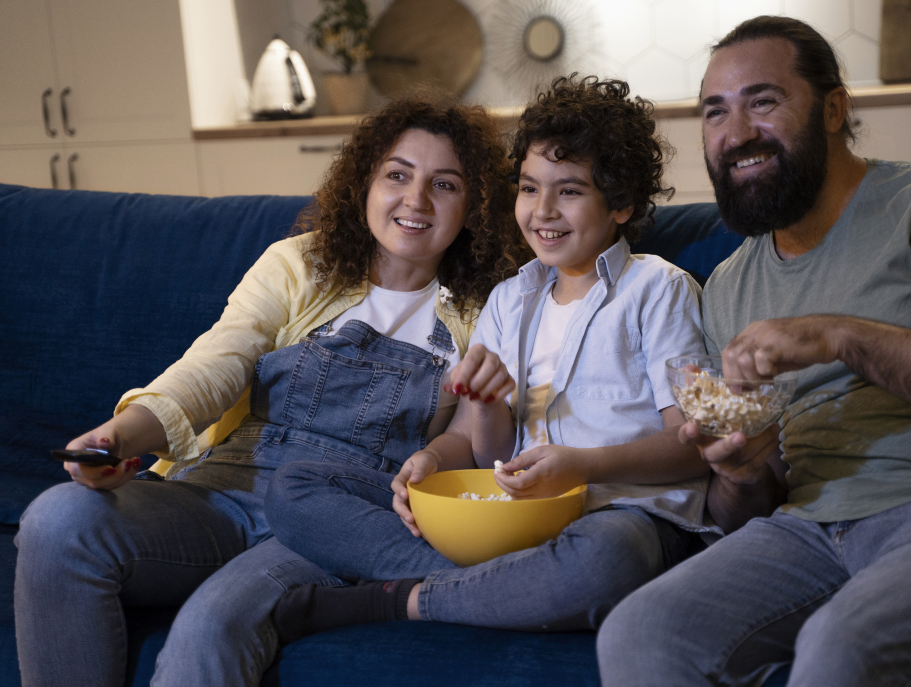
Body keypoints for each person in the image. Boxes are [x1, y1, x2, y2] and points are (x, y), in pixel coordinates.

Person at [14, 98, 531, 687]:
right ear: (365, 181)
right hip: (222, 490)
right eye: (397, 175)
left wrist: (446, 447)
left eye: (444, 184)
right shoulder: (296, 265)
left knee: (213, 621)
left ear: (476, 205)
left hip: (339, 515)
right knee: (57, 519)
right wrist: (119, 438)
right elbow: (213, 366)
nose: (415, 201)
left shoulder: (491, 304)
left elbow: (475, 441)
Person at [596, 15, 911, 687]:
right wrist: (743, 469)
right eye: (715, 113)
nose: (736, 133)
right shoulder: (731, 284)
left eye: (762, 102)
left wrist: (843, 335)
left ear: (833, 109)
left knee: (840, 646)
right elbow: (747, 506)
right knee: (641, 631)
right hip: (806, 528)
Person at [262, 75, 744, 640]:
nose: (543, 211)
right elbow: (474, 446)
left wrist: (582, 465)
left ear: (621, 205)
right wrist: (434, 462)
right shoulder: (509, 299)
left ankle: (401, 599)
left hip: (617, 515)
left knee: (607, 559)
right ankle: (513, 586)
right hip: (511, 514)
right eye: (528, 188)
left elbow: (690, 450)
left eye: (569, 191)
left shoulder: (657, 289)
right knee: (294, 488)